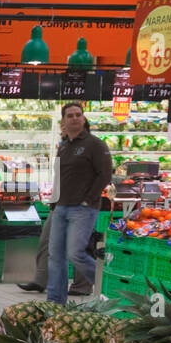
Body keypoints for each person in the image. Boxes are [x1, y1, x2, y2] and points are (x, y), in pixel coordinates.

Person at [48, 103, 112, 304]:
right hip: (61, 208)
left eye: (78, 115)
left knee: (75, 253)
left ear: (83, 119)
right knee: (56, 257)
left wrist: (89, 199)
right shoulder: (64, 146)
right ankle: (55, 302)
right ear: (64, 121)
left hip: (83, 209)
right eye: (70, 115)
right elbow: (58, 176)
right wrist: (53, 202)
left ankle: (109, 285)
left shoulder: (95, 144)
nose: (75, 118)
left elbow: (105, 174)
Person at [18, 124, 69, 293]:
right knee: (46, 242)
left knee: (76, 249)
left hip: (77, 207)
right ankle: (40, 280)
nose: (63, 129)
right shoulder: (64, 148)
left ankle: (82, 284)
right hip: (59, 204)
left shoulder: (87, 148)